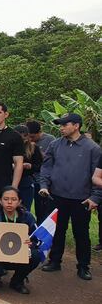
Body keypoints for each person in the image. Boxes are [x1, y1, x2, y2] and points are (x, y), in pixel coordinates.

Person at [39, 113, 100, 280]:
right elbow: (46, 168)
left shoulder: (92, 148)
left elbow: (98, 176)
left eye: (65, 124)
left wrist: (95, 197)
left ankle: (83, 266)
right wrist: (44, 186)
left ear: (76, 126)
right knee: (58, 230)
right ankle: (54, 261)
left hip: (81, 198)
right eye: (60, 124)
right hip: (57, 196)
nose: (61, 127)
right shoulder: (55, 144)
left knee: (81, 233)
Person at [0, 186, 41, 294]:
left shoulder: (28, 217)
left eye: (13, 199)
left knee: (35, 255)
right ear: (0, 200)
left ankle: (17, 281)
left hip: (18, 256)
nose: (9, 203)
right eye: (6, 199)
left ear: (19, 201)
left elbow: (37, 239)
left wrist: (31, 243)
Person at [26, 120, 55, 221]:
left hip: (43, 180)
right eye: (28, 136)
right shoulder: (25, 140)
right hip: (31, 179)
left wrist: (39, 154)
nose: (30, 139)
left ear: (40, 132)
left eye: (33, 137)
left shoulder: (50, 140)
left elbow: (53, 160)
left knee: (43, 208)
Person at [14, 125, 42, 213]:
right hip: (9, 179)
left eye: (25, 136)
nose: (23, 139)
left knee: (25, 209)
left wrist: (30, 166)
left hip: (26, 181)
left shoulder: (33, 148)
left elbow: (40, 166)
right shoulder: (9, 146)